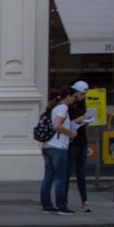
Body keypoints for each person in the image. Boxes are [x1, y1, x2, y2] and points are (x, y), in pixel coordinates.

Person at [40, 86, 82, 215]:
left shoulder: (55, 107)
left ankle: (46, 205)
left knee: (48, 176)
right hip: (58, 147)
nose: (75, 99)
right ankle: (61, 206)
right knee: (60, 177)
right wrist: (71, 133)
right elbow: (57, 125)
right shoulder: (63, 108)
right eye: (74, 97)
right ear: (67, 96)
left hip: (48, 145)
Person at [66, 80, 93, 212]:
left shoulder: (82, 104)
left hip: (82, 140)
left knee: (81, 173)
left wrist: (86, 119)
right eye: (81, 94)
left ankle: (84, 201)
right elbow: (65, 123)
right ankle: (63, 200)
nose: (82, 97)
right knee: (68, 172)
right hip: (72, 142)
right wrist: (80, 119)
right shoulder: (68, 107)